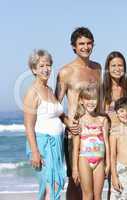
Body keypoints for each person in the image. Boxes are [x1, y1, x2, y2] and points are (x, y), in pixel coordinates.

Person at [55, 27, 102, 200]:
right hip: (75, 133)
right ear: (74, 47)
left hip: (95, 133)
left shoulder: (97, 68)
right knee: (75, 182)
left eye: (89, 43)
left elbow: (99, 101)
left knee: (94, 184)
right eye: (81, 44)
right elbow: (54, 104)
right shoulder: (66, 71)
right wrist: (67, 122)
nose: (85, 47)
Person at [24, 49, 72, 199]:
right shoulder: (33, 92)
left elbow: (58, 114)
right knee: (49, 186)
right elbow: (28, 126)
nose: (46, 69)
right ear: (34, 69)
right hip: (43, 143)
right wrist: (35, 152)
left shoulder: (50, 90)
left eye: (48, 65)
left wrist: (71, 123)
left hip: (57, 143)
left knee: (57, 182)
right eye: (41, 66)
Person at [103, 51, 127, 199]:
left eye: (120, 65)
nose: (117, 68)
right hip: (111, 139)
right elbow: (100, 116)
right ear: (108, 68)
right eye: (113, 65)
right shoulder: (103, 89)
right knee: (114, 186)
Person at [72, 88, 110, 200]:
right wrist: (74, 168)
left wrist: (108, 164)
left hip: (100, 161)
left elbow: (106, 143)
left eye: (94, 99)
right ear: (81, 101)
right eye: (87, 99)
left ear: (98, 101)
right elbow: (76, 147)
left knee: (98, 196)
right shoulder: (79, 121)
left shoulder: (103, 120)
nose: (91, 102)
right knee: (87, 195)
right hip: (84, 160)